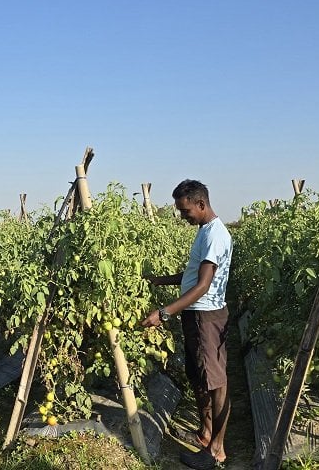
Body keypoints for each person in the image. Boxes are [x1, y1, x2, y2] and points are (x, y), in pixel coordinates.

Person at [141, 179, 233, 470]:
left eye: (185, 211)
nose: (183, 216)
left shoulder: (216, 235)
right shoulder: (204, 231)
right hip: (195, 315)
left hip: (207, 317)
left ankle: (216, 451)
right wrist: (161, 280)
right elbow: (193, 274)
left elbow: (203, 285)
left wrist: (164, 312)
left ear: (201, 204)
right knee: (199, 378)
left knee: (216, 384)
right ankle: (205, 434)